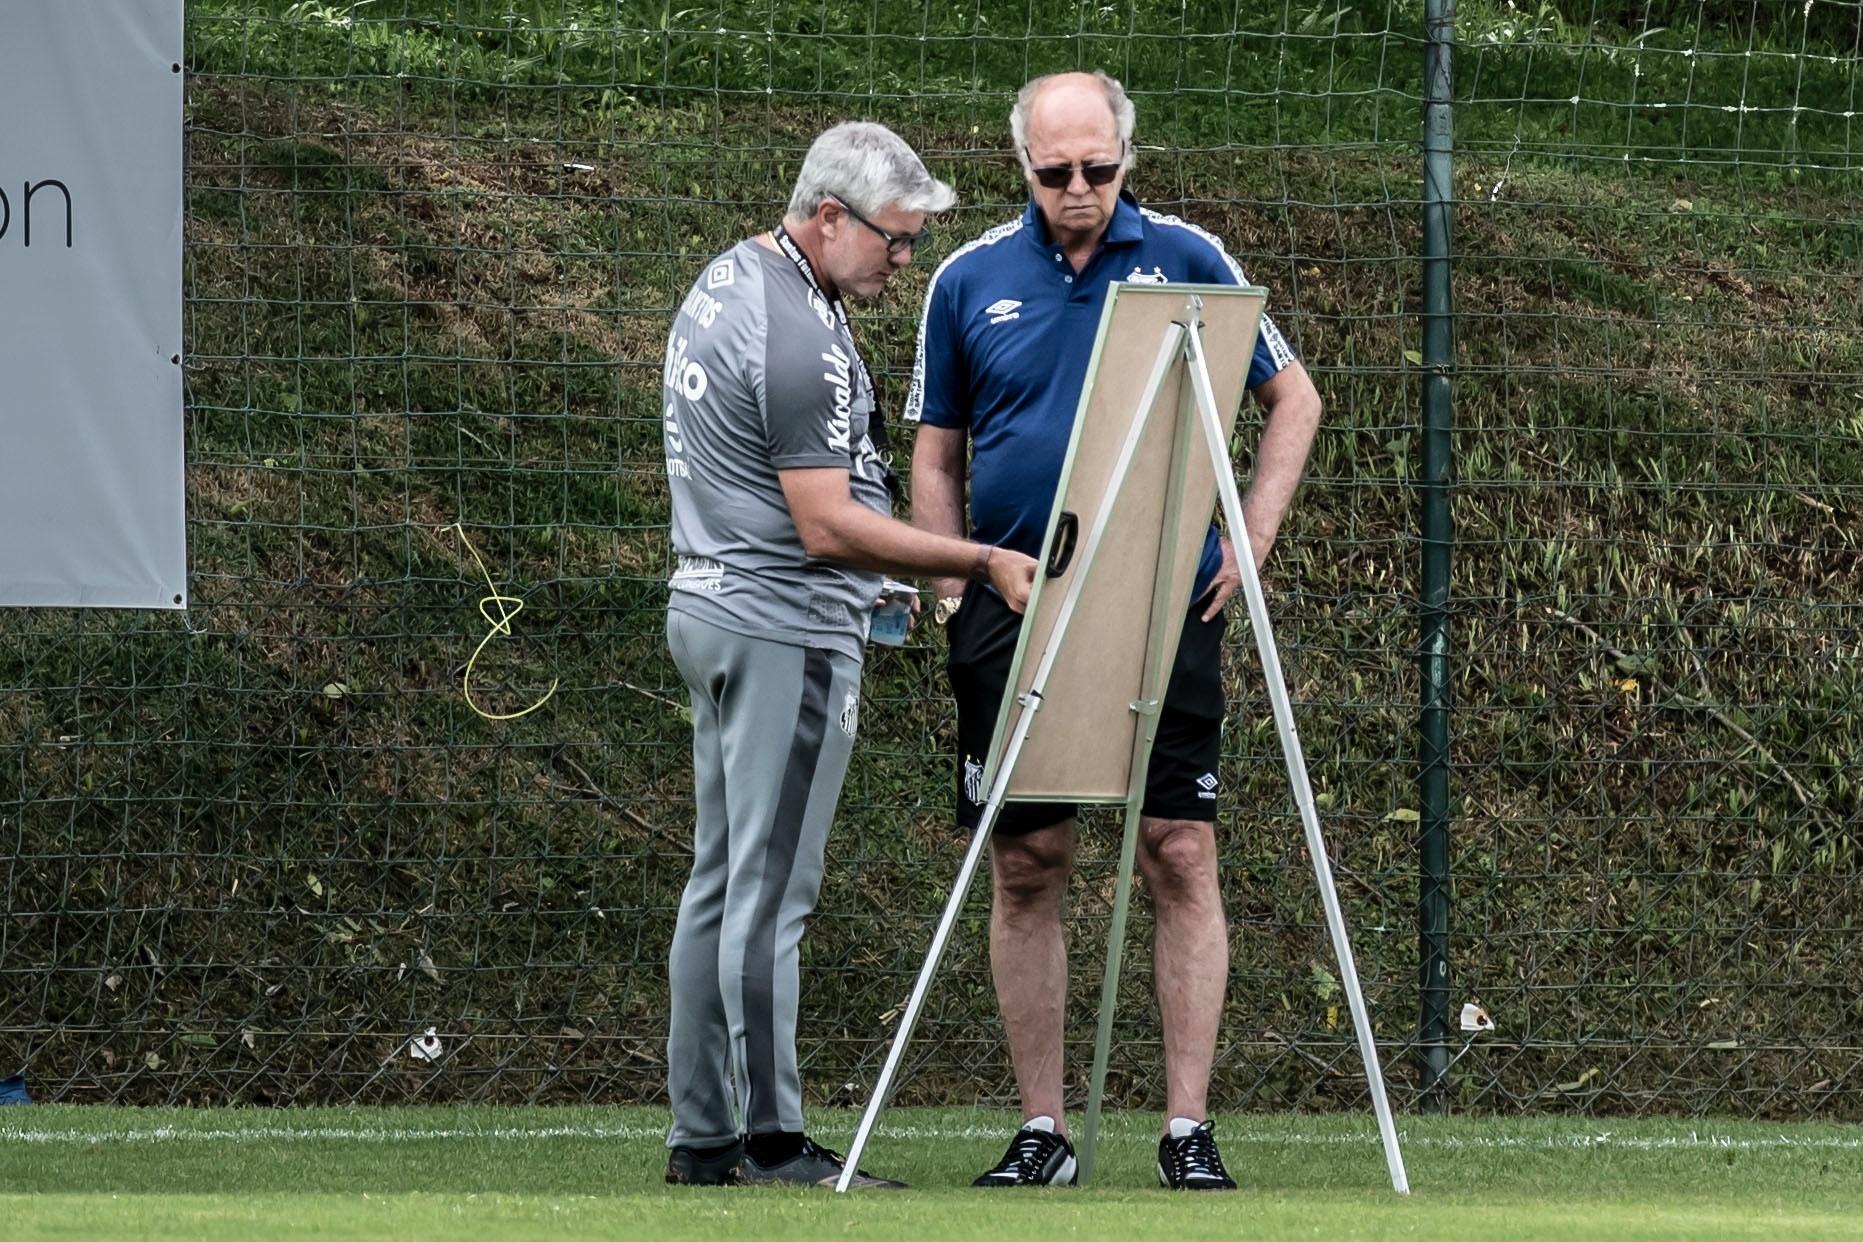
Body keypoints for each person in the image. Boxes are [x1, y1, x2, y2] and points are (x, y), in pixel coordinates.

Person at [906, 72, 1324, 1190]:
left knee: (1179, 850)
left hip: (1163, 598)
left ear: (1127, 158)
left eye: (1099, 168)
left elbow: (1295, 398)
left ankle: (1187, 1130)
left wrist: (1252, 540)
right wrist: (952, 596)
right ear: (1023, 167)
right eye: (1055, 173)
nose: (1079, 190)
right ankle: (1043, 1128)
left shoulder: (1190, 257)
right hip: (1014, 604)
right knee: (1030, 862)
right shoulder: (967, 279)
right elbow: (936, 453)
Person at [660, 120, 1038, 1190]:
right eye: (895, 239)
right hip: (783, 627)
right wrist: (971, 557)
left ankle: (702, 1135)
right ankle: (773, 1142)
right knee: (771, 892)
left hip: (712, 603)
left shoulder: (728, 280)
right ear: (829, 216)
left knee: (720, 881)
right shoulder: (798, 331)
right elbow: (825, 523)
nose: (903, 262)